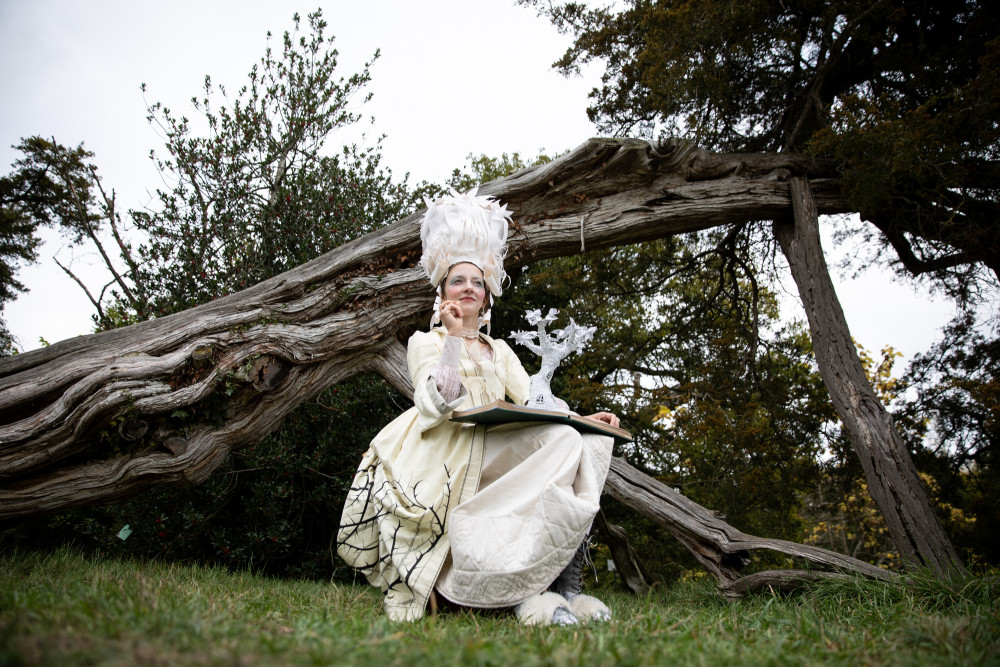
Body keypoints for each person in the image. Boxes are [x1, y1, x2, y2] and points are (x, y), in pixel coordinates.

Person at [337, 190, 619, 624]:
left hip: (493, 441)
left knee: (576, 442)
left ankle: (566, 588)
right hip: (445, 450)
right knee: (561, 441)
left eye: (476, 282)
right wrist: (452, 337)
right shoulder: (425, 342)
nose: (468, 287)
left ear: (486, 296)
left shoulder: (500, 349)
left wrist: (582, 420)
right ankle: (497, 591)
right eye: (458, 281)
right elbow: (435, 401)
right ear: (443, 292)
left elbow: (533, 399)